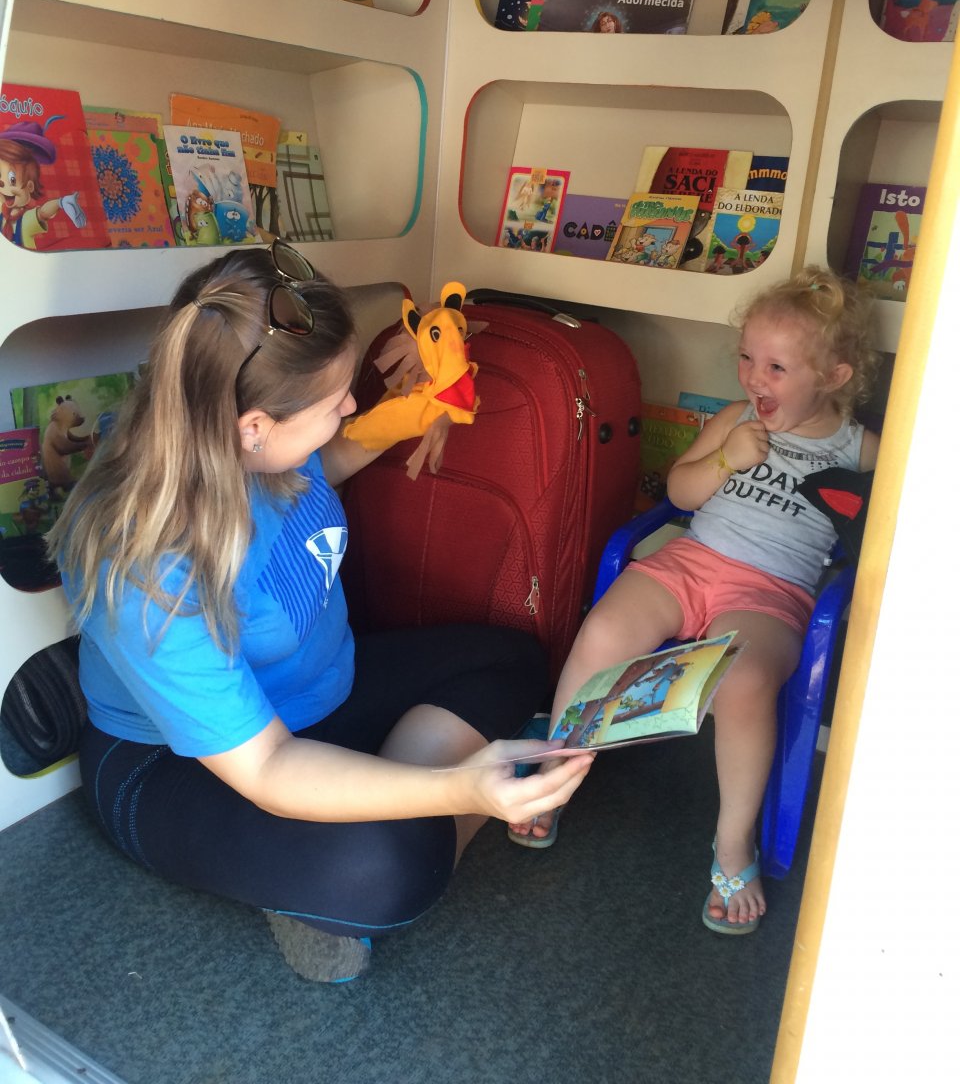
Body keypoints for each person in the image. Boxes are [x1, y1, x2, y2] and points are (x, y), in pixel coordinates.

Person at [48, 243, 593, 982]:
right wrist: (460, 791)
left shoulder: (229, 430)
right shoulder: (146, 565)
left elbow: (315, 468)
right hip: (180, 766)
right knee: (393, 866)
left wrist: (415, 413)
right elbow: (267, 763)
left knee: (517, 656)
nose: (351, 405)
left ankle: (348, 813)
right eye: (335, 397)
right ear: (252, 429)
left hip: (317, 694)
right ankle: (356, 834)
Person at [508, 265, 879, 935]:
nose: (753, 379)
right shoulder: (735, 418)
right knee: (604, 631)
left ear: (833, 377)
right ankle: (555, 769)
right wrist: (724, 461)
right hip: (690, 561)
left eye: (776, 367)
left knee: (742, 684)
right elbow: (679, 493)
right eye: (746, 358)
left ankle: (733, 843)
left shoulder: (862, 449)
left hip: (770, 591)